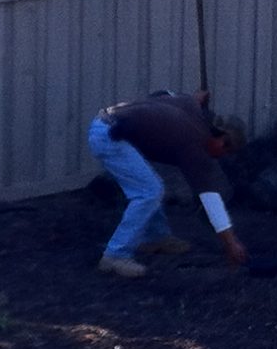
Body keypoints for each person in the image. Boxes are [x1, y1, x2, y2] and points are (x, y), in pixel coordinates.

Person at [86, 88, 248, 277]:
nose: (222, 157)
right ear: (222, 141)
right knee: (149, 192)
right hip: (110, 136)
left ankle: (156, 237)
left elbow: (162, 94)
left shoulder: (190, 105)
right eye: (227, 151)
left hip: (110, 124)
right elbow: (210, 200)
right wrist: (231, 243)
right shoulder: (195, 146)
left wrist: (198, 97)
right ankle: (115, 255)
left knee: (152, 184)